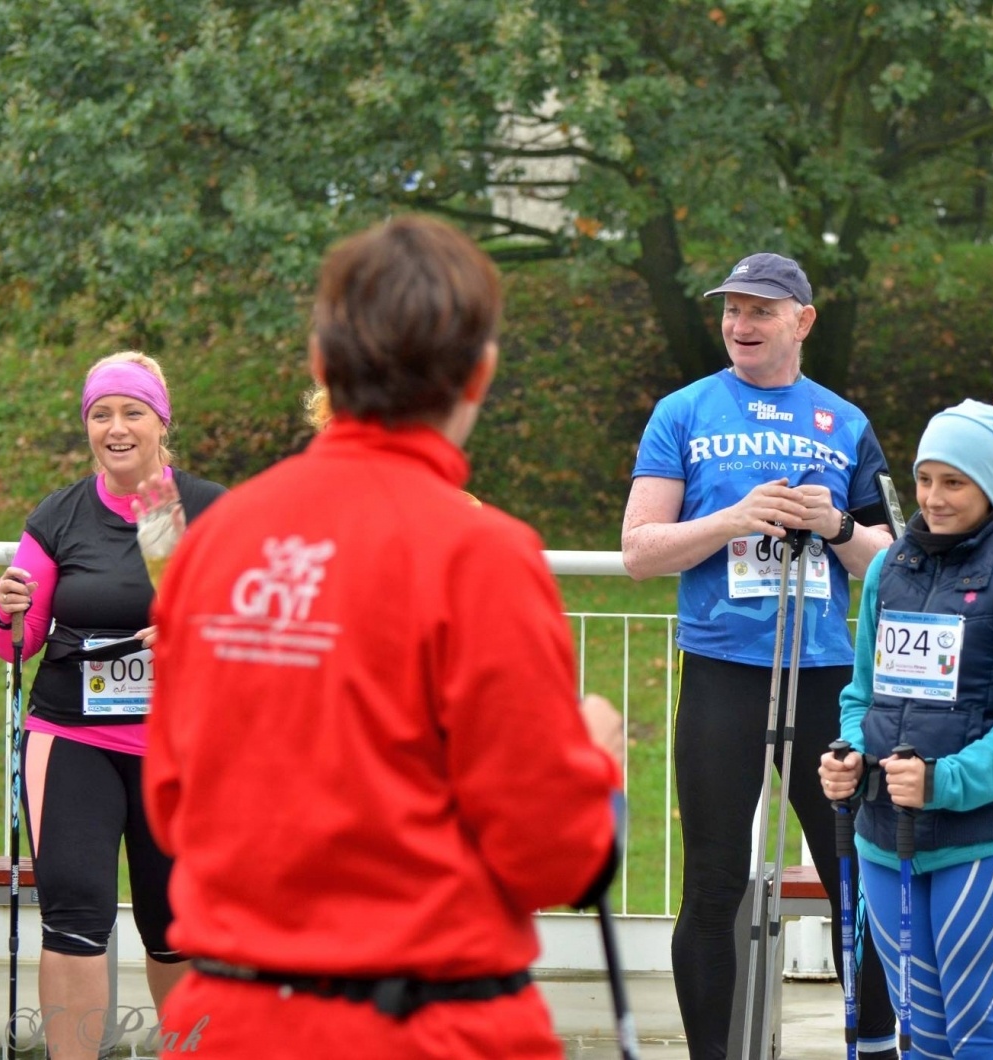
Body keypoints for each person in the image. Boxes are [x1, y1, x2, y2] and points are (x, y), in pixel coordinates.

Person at [142, 215, 624, 1059]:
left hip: (227, 1023)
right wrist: (596, 767)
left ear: (321, 366)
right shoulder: (479, 554)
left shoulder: (216, 541)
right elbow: (550, 853)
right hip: (428, 1029)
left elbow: (173, 803)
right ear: (480, 375)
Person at [622, 252, 899, 1059]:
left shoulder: (843, 422)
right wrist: (734, 518)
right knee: (713, 882)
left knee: (853, 877)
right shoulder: (684, 411)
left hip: (825, 679)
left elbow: (895, 560)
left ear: (801, 322)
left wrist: (838, 527)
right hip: (721, 674)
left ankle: (873, 1045)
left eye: (760, 311)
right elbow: (639, 550)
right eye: (731, 311)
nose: (741, 326)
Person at [0, 351, 227, 1060]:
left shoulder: (207, 508)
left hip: (179, 747)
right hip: (73, 738)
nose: (115, 428)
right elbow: (16, 644)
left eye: (132, 412)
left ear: (161, 422)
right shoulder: (60, 515)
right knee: (75, 918)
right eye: (101, 414)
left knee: (176, 927)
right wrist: (7, 611)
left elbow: (252, 627)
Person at [819, 399, 993, 1058]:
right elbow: (862, 694)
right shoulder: (887, 567)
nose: (933, 496)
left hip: (983, 840)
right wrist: (851, 756)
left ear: (990, 485)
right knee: (921, 1034)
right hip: (884, 834)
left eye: (952, 481)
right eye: (925, 478)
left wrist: (944, 782)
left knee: (976, 1033)